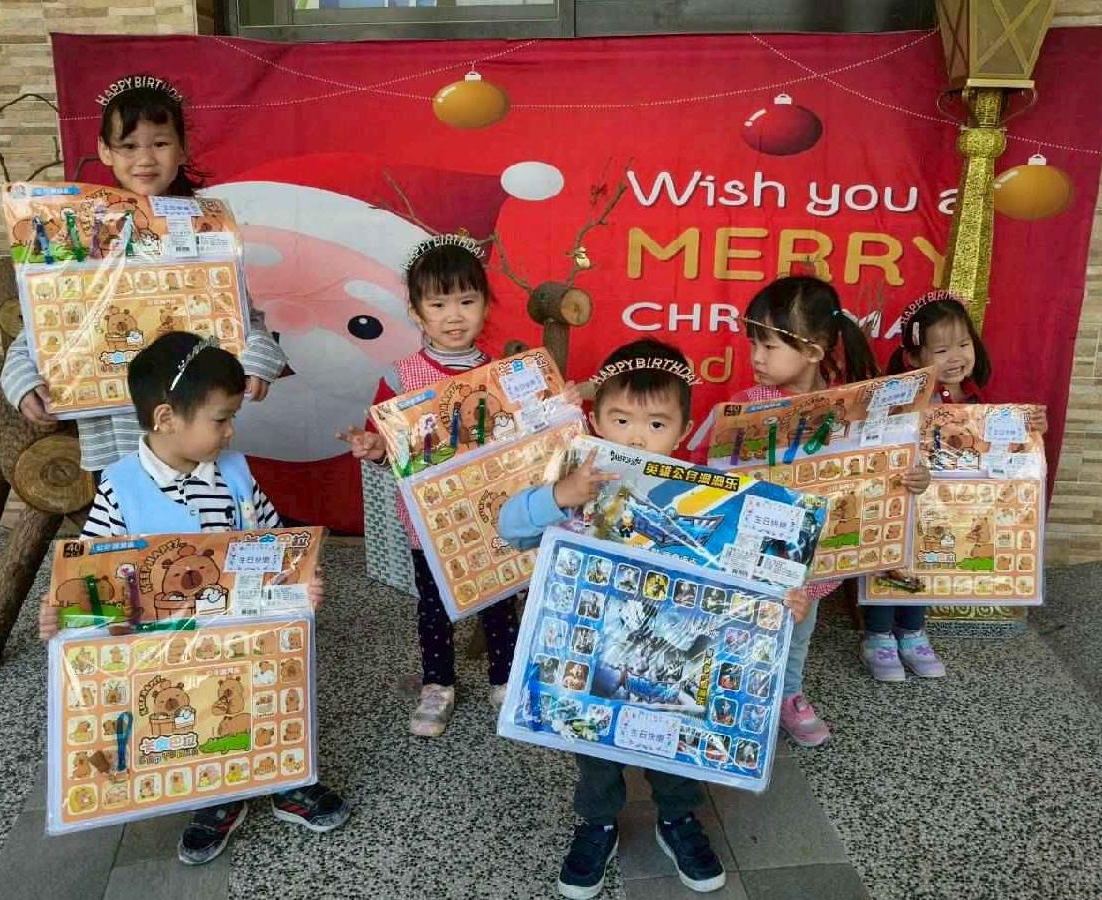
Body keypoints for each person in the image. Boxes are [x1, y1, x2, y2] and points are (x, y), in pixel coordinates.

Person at [498, 338, 810, 899]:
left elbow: (749, 576)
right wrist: (559, 495)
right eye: (621, 420)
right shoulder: (575, 478)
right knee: (593, 746)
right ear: (596, 419)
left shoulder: (708, 495)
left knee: (676, 737)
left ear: (684, 429)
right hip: (591, 648)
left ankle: (678, 818)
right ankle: (597, 824)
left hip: (674, 656)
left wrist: (781, 603)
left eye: (657, 424)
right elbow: (510, 528)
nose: (637, 438)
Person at [39, 331, 350, 865]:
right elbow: (91, 577)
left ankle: (286, 778)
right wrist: (64, 618)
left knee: (268, 698)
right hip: (169, 647)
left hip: (245, 632)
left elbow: (274, 542)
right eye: (221, 419)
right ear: (166, 418)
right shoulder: (119, 487)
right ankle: (216, 795)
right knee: (199, 713)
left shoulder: (235, 474)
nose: (230, 432)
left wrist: (300, 581)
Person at [1, 76, 285, 475]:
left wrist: (257, 362)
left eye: (160, 143)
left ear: (183, 148)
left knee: (204, 512)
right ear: (105, 150)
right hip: (114, 443)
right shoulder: (79, 233)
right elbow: (42, 327)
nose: (146, 158)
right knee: (127, 512)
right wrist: (22, 382)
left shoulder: (207, 231)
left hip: (196, 436)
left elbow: (242, 318)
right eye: (129, 145)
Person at [700, 276, 931, 746]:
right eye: (753, 344)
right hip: (757, 555)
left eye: (769, 345)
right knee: (744, 627)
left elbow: (885, 465)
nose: (756, 357)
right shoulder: (746, 407)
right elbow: (711, 469)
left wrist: (914, 477)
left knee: (798, 632)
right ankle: (730, 695)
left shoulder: (854, 407)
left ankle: (788, 695)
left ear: (812, 351)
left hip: (818, 556)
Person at [340, 235, 519, 737]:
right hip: (430, 520)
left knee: (499, 600)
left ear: (485, 305)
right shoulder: (401, 378)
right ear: (416, 312)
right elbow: (385, 446)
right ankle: (438, 684)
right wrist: (374, 448)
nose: (454, 316)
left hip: (492, 513)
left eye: (466, 301)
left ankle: (504, 681)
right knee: (435, 605)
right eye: (438, 304)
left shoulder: (502, 374)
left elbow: (522, 438)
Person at [874, 290, 1045, 681]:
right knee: (892, 560)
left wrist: (1031, 430)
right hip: (905, 500)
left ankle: (913, 633)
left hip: (950, 508)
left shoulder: (980, 401)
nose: (955, 357)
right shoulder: (902, 401)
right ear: (913, 357)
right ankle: (878, 636)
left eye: (964, 345)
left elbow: (1003, 451)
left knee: (928, 561)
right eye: (941, 350)